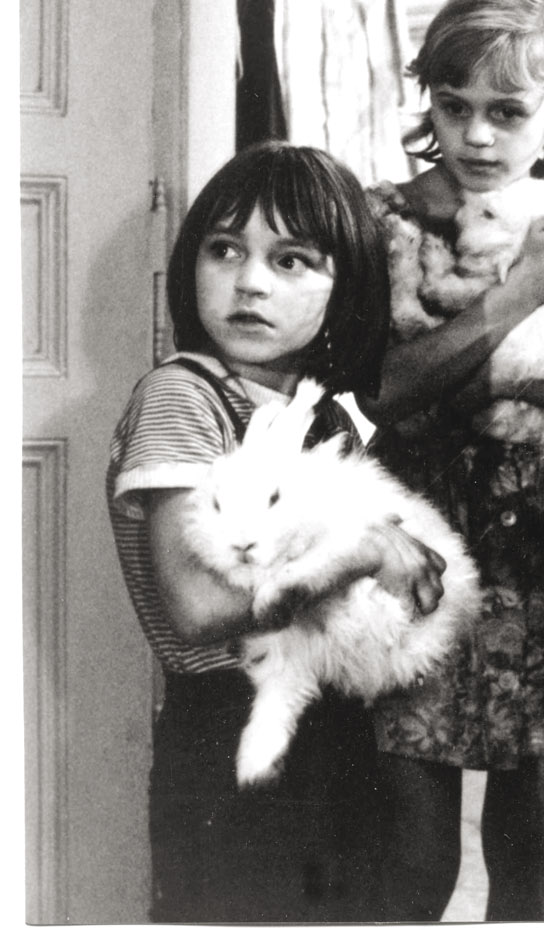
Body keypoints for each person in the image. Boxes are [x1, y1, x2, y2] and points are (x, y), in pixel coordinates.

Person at [106, 141, 447, 922]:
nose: (249, 281)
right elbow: (194, 607)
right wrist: (352, 557)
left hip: (334, 730)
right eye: (225, 249)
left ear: (346, 289)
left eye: (292, 260)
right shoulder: (182, 397)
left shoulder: (322, 414)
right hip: (227, 732)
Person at [357, 0, 544, 922]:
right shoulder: (383, 219)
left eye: (506, 111)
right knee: (414, 860)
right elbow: (386, 391)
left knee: (529, 858)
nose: (476, 136)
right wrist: (521, 292)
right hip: (411, 566)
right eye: (453, 105)